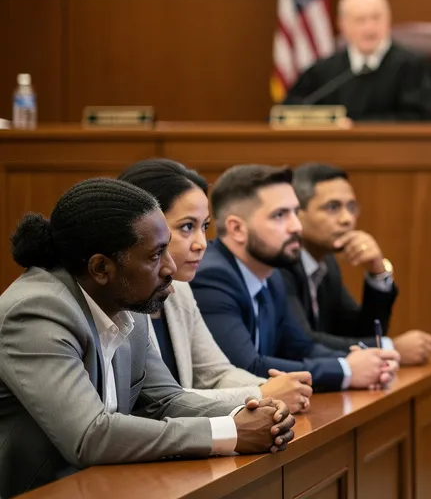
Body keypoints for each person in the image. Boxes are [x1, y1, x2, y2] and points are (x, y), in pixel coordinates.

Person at [0, 179, 295, 496]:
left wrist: (251, 414)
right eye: (155, 255)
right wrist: (229, 432)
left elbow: (165, 400)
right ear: (101, 267)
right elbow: (90, 436)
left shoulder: (125, 298)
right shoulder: (37, 312)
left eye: (167, 248)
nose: (170, 267)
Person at [118, 158, 314, 413]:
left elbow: (215, 374)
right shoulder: (120, 299)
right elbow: (155, 401)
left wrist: (275, 388)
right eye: (187, 227)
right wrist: (260, 393)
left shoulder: (181, 291)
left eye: (205, 227)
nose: (202, 243)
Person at [191, 165, 400, 393]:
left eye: (295, 212)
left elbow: (301, 347)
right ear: (237, 229)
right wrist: (346, 370)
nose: (296, 226)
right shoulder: (211, 277)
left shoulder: (271, 273)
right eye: (280, 215)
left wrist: (370, 362)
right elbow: (245, 367)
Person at [281, 163, 431, 365]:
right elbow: (302, 342)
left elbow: (359, 331)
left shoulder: (327, 263)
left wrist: (377, 272)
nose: (347, 219)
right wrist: (389, 349)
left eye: (352, 207)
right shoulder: (279, 266)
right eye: (333, 207)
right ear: (297, 213)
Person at [282, 0, 431, 121]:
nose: (369, 28)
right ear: (343, 25)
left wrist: (354, 126)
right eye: (360, 20)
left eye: (376, 18)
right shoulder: (324, 71)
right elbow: (287, 114)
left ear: (388, 20)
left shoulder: (414, 67)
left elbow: (427, 119)